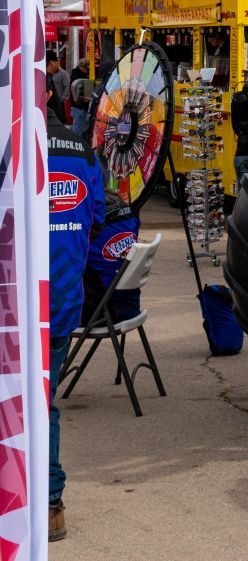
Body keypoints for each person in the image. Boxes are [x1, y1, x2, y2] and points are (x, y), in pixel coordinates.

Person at [47, 106, 105, 542]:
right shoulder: (82, 151)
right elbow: (98, 216)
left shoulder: (11, 145)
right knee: (42, 405)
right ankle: (51, 509)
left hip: (16, 303)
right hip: (65, 299)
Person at [46, 52, 70, 122]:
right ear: (52, 63)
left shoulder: (48, 77)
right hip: (52, 119)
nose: (58, 64)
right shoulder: (46, 79)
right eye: (57, 62)